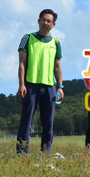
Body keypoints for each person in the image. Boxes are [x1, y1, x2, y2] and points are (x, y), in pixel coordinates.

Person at [16, 9, 64, 154]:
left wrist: (60, 86)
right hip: (30, 85)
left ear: (53, 24)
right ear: (38, 21)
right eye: (43, 19)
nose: (45, 23)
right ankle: (22, 153)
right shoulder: (28, 38)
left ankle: (45, 153)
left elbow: (57, 66)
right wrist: (21, 84)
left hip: (49, 87)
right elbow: (22, 63)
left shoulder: (56, 42)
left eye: (49, 21)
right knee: (26, 121)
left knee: (48, 123)